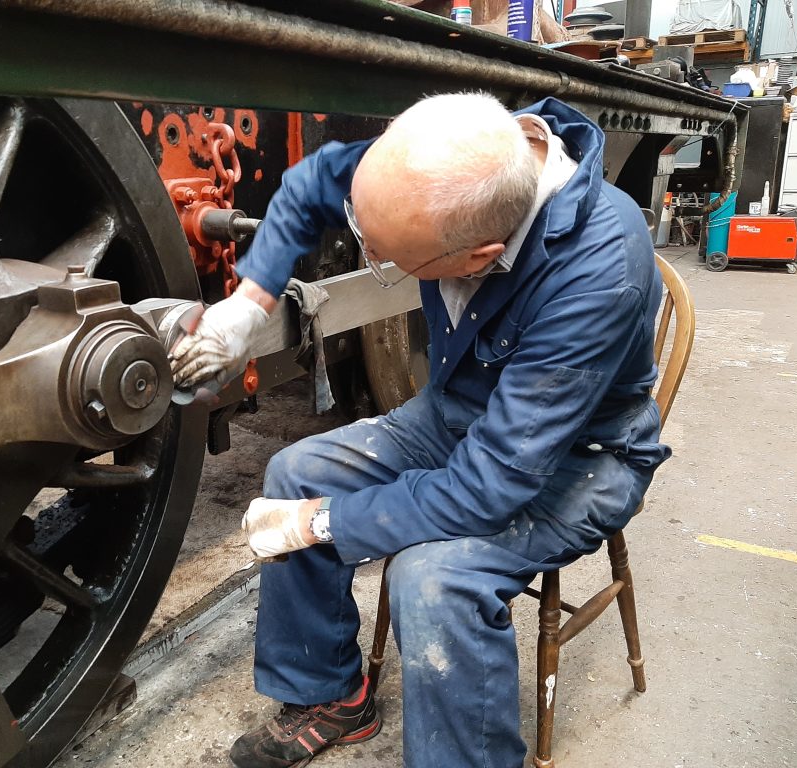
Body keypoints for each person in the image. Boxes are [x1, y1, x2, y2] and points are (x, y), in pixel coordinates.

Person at [170, 92, 669, 768]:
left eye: (390, 258)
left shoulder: (597, 272)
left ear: (480, 256)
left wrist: (327, 524)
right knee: (296, 473)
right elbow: (314, 184)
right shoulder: (440, 166)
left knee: (433, 582)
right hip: (459, 411)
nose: (371, 251)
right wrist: (246, 306)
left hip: (578, 458)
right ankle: (331, 695)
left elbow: (489, 487)